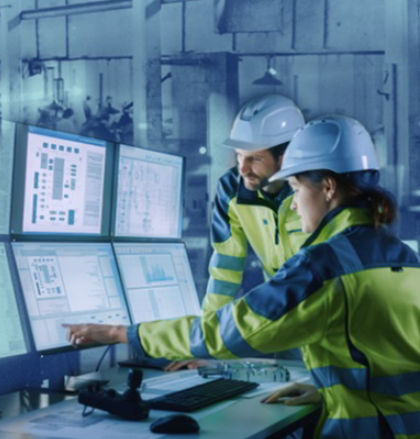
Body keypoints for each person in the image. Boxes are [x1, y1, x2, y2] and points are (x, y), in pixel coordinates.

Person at [65, 116, 420, 438]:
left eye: (296, 190)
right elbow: (389, 358)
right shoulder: (403, 256)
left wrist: (124, 334)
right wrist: (330, 389)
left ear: (327, 187)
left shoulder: (324, 265)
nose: (294, 205)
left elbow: (236, 328)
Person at [204, 95, 308, 314]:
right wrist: (208, 331)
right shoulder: (231, 190)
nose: (242, 169)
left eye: (255, 158)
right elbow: (225, 267)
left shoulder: (315, 190)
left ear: (285, 156)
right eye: (239, 156)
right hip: (278, 312)